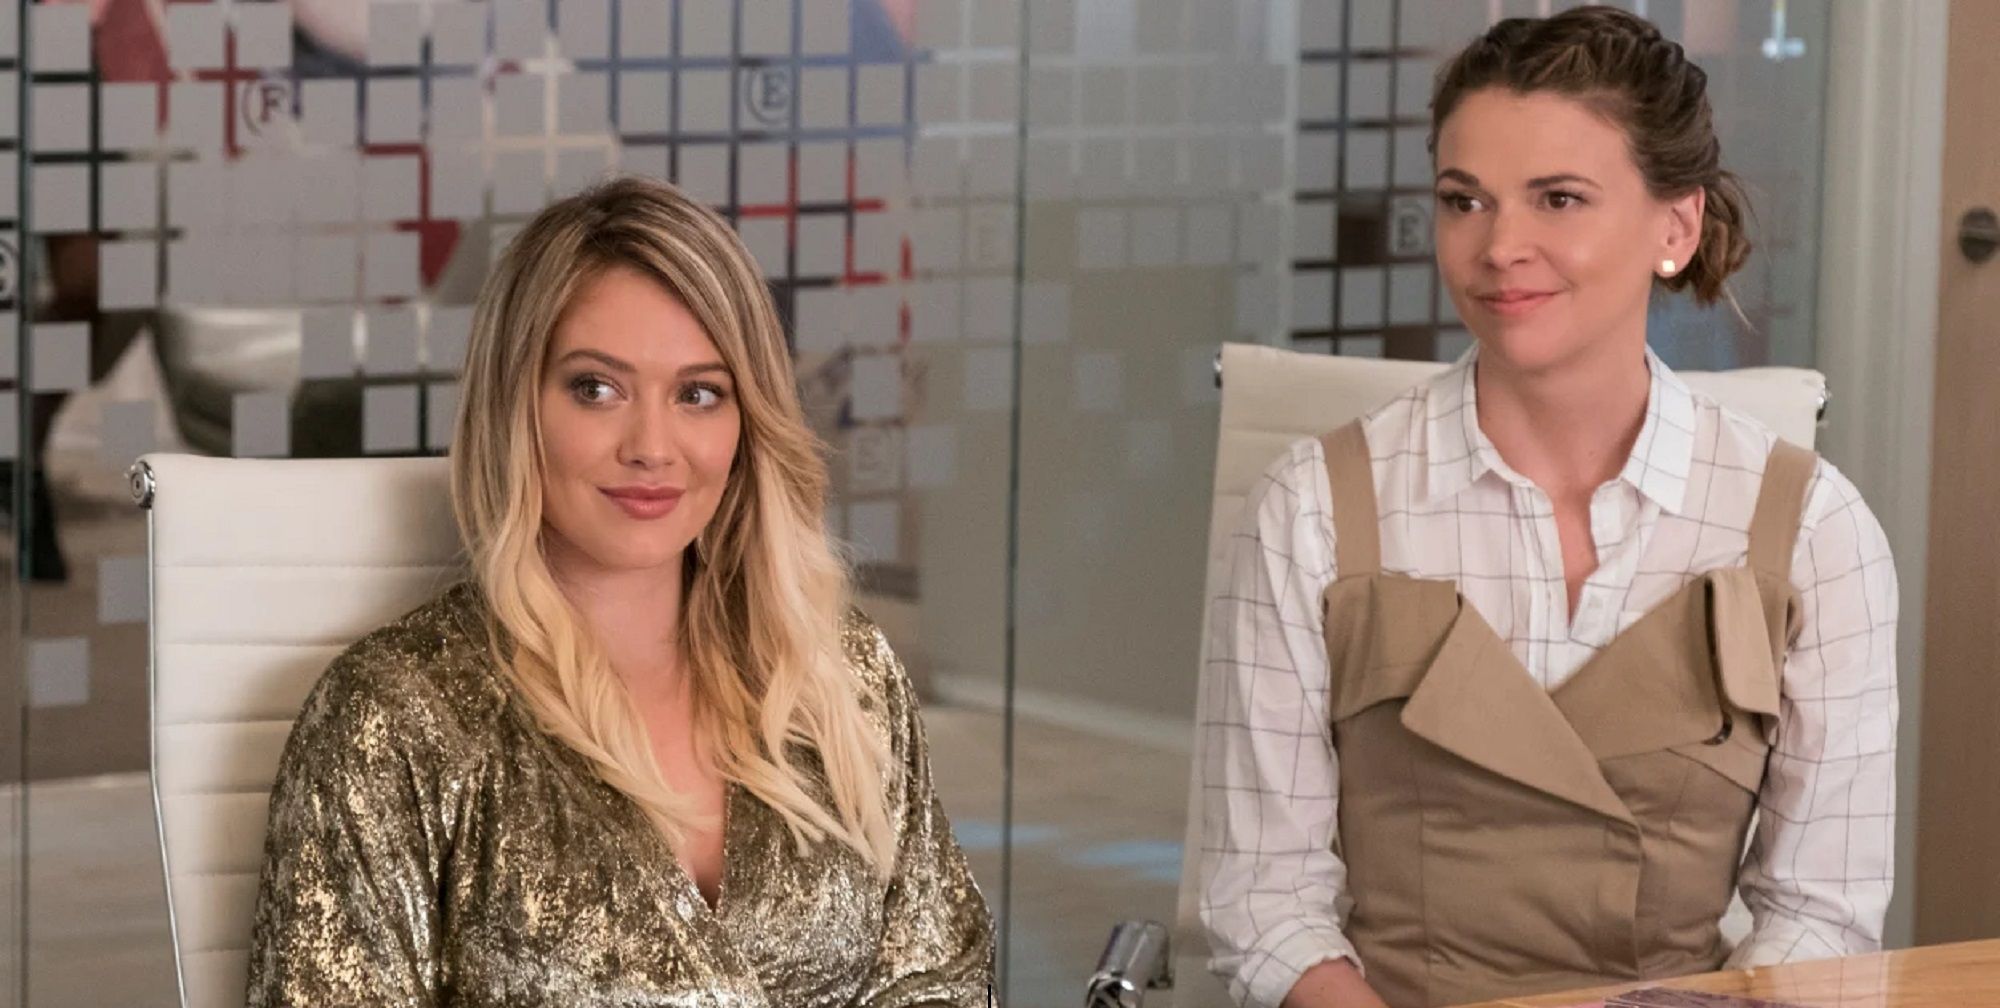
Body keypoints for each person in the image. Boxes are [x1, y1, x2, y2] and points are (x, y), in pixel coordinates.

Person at [1197, 8, 1896, 1008]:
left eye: (1557, 199)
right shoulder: (1307, 511)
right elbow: (1262, 903)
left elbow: (1819, 916)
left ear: (1675, 227)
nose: (1498, 247)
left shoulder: (1816, 534)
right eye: (1463, 200)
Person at [246, 176, 995, 1007]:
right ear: (513, 406)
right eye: (595, 388)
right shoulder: (395, 719)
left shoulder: (842, 677)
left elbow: (945, 981)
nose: (652, 446)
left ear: (746, 424)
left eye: (698, 394)